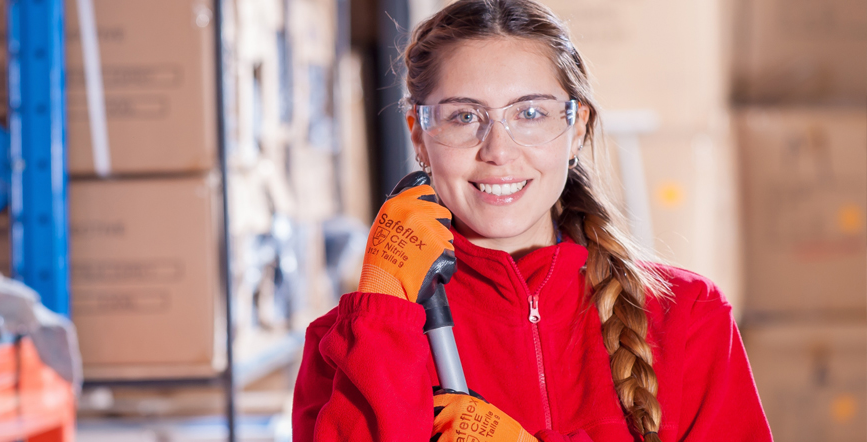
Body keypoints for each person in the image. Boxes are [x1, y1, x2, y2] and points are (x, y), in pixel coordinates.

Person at [292, 0, 773, 440]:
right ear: (419, 134)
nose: (499, 152)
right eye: (463, 117)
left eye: (530, 113)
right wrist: (382, 319)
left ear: (576, 127)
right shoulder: (347, 344)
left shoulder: (688, 317)